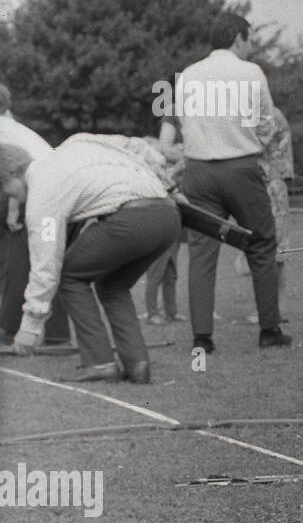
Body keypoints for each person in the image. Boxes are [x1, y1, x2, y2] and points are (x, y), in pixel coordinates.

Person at [0, 134, 180, 382]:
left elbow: (46, 265)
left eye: (4, 189)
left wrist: (30, 327)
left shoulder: (42, 192)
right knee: (113, 285)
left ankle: (99, 362)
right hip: (168, 214)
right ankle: (137, 364)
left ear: (10, 174)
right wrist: (172, 187)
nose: (10, 197)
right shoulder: (77, 144)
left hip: (131, 219)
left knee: (69, 276)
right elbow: (140, 147)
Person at [177, 13, 289, 353]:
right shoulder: (251, 72)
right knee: (261, 244)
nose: (251, 46)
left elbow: (183, 122)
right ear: (238, 39)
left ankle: (202, 338)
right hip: (241, 168)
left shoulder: (187, 76)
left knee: (201, 253)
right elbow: (267, 123)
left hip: (197, 171)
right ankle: (269, 331)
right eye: (249, 39)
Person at [0, 85, 72, 347]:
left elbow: (13, 171)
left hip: (41, 189)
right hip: (47, 185)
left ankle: (13, 328)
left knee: (27, 259)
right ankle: (53, 332)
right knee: (40, 259)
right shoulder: (11, 125)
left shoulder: (5, 129)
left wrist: (15, 209)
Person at [236, 106, 294, 322]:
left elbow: (250, 146)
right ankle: (277, 308)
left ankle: (268, 310)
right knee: (275, 251)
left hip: (266, 186)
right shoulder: (270, 112)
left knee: (265, 249)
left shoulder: (264, 114)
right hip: (271, 184)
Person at [144, 116, 185, 324]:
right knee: (156, 271)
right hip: (160, 226)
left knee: (172, 271)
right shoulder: (151, 175)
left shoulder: (164, 171)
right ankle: (152, 312)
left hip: (173, 226)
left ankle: (172, 311)